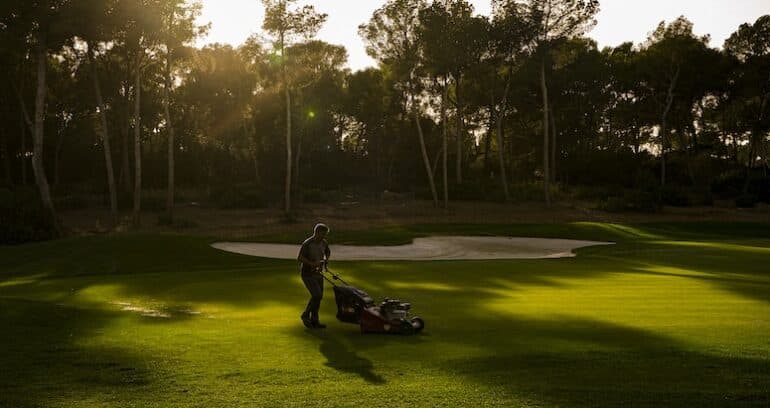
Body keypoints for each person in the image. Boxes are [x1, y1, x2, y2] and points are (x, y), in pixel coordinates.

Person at [297, 223, 331, 329]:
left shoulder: (324, 243)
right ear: (316, 232)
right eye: (323, 234)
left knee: (319, 297)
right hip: (307, 274)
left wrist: (325, 260)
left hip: (318, 273)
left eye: (325, 234)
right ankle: (305, 315)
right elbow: (300, 258)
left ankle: (315, 320)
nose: (324, 236)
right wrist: (312, 264)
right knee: (316, 295)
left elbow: (327, 252)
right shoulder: (308, 243)